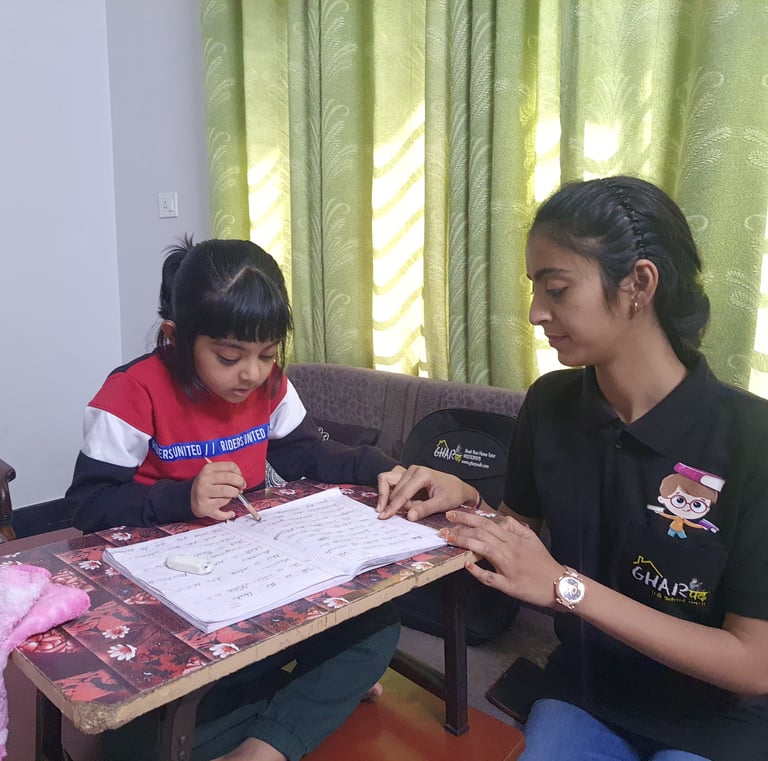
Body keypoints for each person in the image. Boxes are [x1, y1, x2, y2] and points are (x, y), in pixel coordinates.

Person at [376, 176, 768, 760]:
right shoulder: (552, 403)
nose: (536, 313)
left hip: (716, 719)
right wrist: (465, 506)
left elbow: (752, 663)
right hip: (587, 691)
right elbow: (521, 541)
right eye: (536, 289)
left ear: (638, 283)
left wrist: (568, 588)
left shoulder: (750, 439)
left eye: (557, 289)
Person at [66, 236, 400, 761]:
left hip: (251, 583)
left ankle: (263, 746)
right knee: (132, 742)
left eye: (267, 355)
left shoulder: (267, 385)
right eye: (229, 357)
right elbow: (88, 508)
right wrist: (182, 498)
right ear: (175, 338)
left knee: (377, 627)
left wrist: (387, 468)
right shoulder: (132, 392)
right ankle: (305, 703)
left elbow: (305, 455)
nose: (252, 374)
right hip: (165, 598)